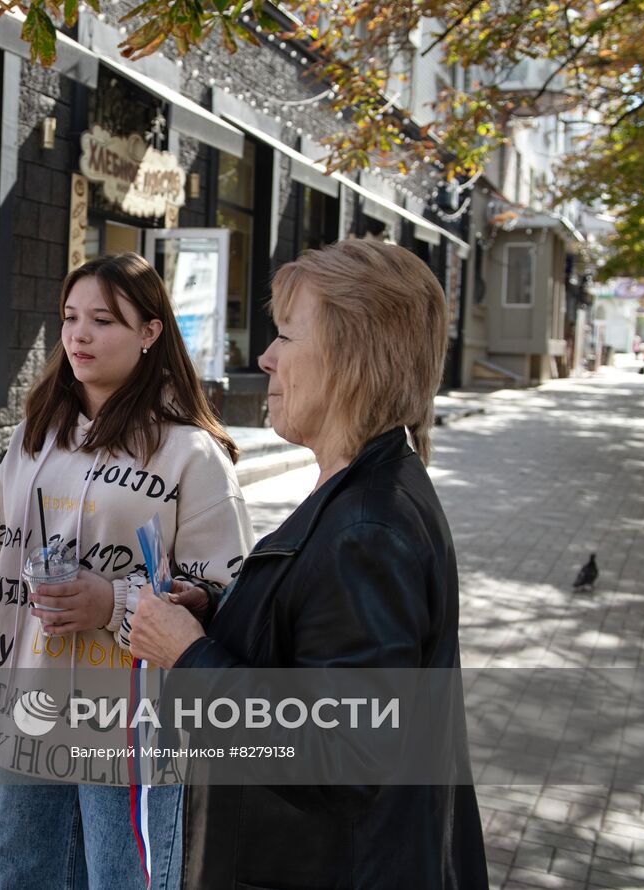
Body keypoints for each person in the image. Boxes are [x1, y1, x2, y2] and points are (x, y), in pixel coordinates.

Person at [130, 239, 489, 888]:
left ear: (352, 360)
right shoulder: (362, 493)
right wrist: (220, 617)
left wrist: (190, 657)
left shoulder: (369, 530)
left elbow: (339, 754)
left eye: (287, 337)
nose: (265, 357)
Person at [0, 253, 254, 889]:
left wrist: (111, 603)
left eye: (104, 320)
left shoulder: (190, 453)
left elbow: (226, 595)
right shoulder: (35, 434)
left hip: (131, 728)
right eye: (69, 317)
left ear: (150, 332)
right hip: (29, 709)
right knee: (28, 877)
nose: (79, 335)